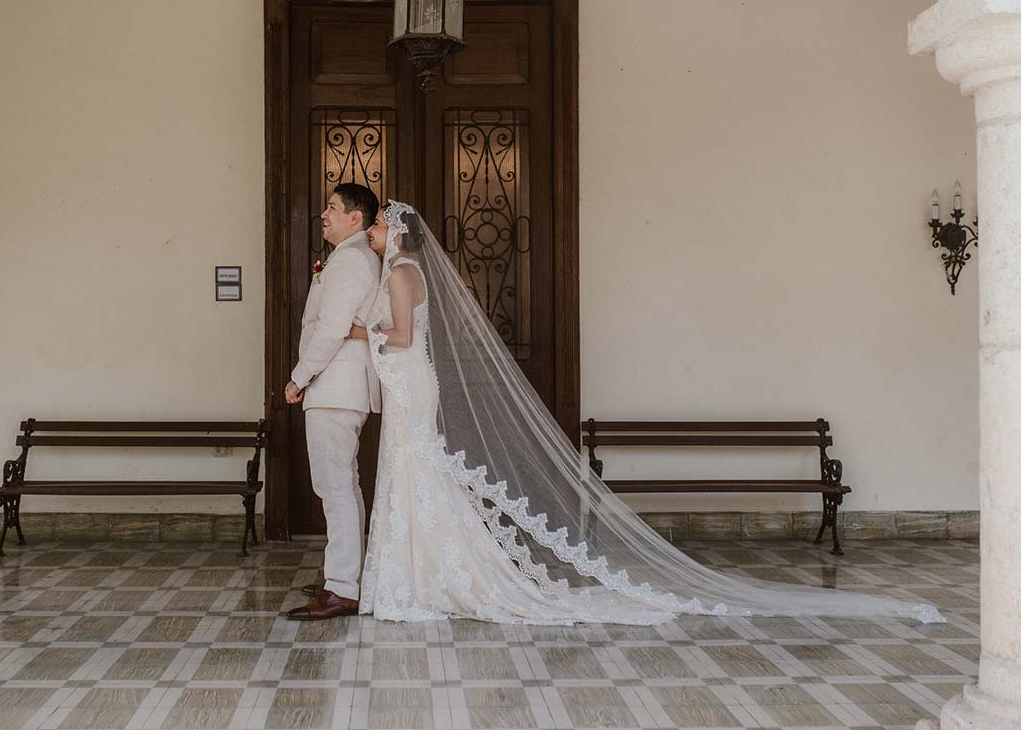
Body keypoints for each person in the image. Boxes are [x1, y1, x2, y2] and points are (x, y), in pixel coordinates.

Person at [347, 200, 943, 625]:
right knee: (417, 475)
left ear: (395, 233)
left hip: (408, 383)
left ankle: (425, 578)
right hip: (410, 389)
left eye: (375, 225)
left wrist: (361, 334)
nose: (372, 232)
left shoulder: (401, 273)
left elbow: (401, 337)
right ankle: (418, 574)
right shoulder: (410, 271)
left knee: (416, 473)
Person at [284, 183, 382, 621]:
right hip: (342, 387)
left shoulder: (351, 261)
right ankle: (344, 577)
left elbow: (331, 329)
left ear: (355, 218)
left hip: (336, 387)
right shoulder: (352, 257)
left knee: (335, 487)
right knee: (344, 485)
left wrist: (298, 377)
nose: (323, 214)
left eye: (332, 207)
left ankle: (343, 588)